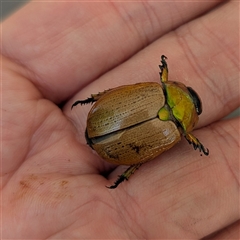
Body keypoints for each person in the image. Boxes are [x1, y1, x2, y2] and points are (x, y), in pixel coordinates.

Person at [1, 2, 239, 239]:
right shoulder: (178, 132)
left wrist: (163, 71)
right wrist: (193, 140)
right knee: (142, 158)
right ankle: (125, 174)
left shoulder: (159, 89)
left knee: (142, 155)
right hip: (109, 137)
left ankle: (121, 165)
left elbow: (120, 93)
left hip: (102, 125)